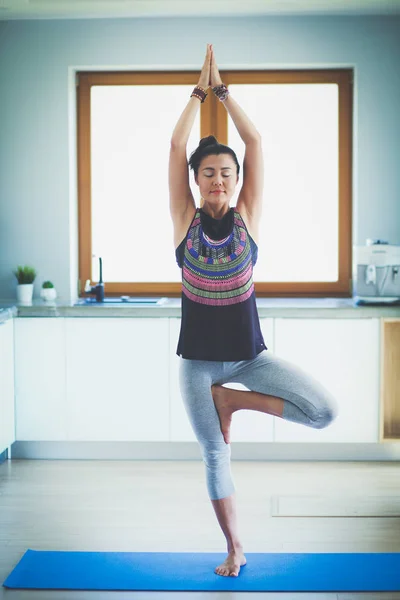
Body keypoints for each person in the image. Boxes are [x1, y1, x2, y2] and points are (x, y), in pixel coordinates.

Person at [168, 43, 339, 578]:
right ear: (197, 180)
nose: (218, 180)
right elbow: (176, 143)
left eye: (227, 173)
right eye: (208, 173)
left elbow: (256, 140)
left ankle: (235, 404)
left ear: (237, 180)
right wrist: (198, 91)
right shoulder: (184, 221)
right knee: (216, 456)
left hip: (248, 361)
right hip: (198, 365)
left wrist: (224, 91)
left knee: (324, 412)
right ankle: (236, 547)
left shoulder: (248, 218)